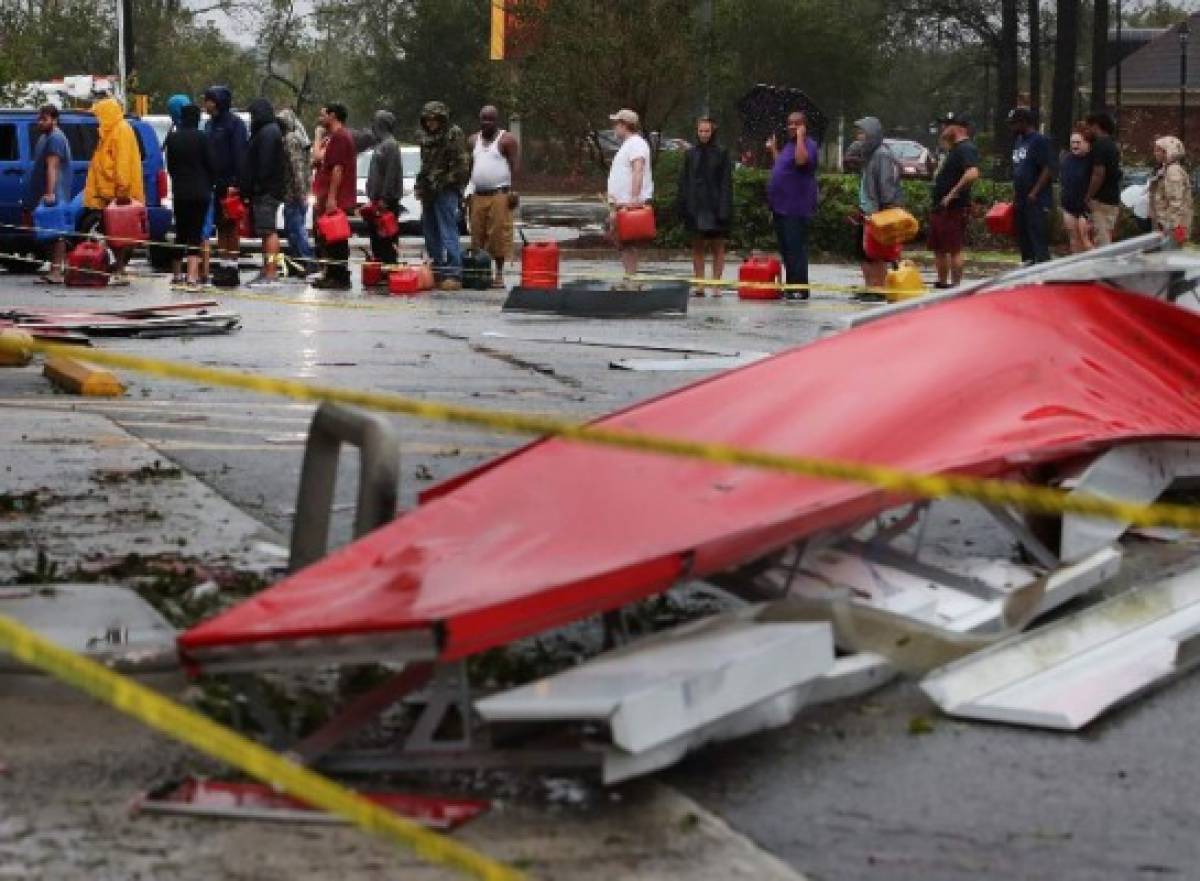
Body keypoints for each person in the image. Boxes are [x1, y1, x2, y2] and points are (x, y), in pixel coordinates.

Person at [82, 96, 143, 285]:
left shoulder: (120, 131)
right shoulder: (108, 132)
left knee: (119, 236)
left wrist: (122, 192)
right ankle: (118, 268)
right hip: (109, 193)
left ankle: (120, 269)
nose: (96, 119)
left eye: (98, 115)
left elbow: (122, 163)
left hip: (118, 195)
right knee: (113, 234)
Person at [416, 101, 470, 290]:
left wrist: (444, 182)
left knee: (448, 230)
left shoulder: (453, 134)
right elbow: (424, 165)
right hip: (429, 191)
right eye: (428, 119)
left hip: (446, 189)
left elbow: (462, 167)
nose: (431, 123)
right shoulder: (425, 137)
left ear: (442, 118)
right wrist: (421, 185)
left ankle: (453, 272)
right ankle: (437, 270)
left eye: (434, 119)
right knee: (430, 231)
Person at [677, 116, 732, 296]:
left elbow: (726, 183)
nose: (703, 134)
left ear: (713, 131)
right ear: (697, 131)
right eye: (701, 131)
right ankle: (700, 284)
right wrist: (683, 205)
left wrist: (724, 208)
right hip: (696, 206)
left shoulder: (722, 153)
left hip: (715, 205)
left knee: (718, 246)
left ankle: (716, 285)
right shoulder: (690, 154)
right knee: (697, 246)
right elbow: (684, 181)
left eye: (707, 131)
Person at [468, 105, 520, 287]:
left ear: (496, 121)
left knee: (498, 234)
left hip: (499, 194)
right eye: (483, 119)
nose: (486, 123)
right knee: (477, 235)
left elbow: (515, 166)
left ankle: (499, 274)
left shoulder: (506, 140)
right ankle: (482, 273)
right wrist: (467, 192)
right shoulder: (473, 140)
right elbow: (470, 167)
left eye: (490, 119)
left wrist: (514, 191)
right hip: (478, 194)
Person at [765, 112, 816, 300]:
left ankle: (800, 287)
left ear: (804, 125)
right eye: (789, 123)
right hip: (780, 206)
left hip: (796, 207)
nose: (792, 126)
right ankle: (791, 284)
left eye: (797, 123)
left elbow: (801, 161)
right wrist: (774, 150)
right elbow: (782, 165)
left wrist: (801, 137)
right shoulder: (788, 145)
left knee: (796, 248)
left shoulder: (808, 144)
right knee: (786, 248)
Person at [164, 104, 213, 288]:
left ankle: (176, 274)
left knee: (180, 232)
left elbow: (170, 166)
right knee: (195, 232)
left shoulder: (173, 139)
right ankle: (192, 276)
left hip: (181, 191)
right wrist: (210, 181)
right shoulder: (202, 138)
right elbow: (211, 163)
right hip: (200, 191)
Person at [928, 111, 979, 288]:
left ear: (958, 128)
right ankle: (942, 282)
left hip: (952, 207)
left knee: (954, 248)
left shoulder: (966, 148)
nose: (943, 128)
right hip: (940, 207)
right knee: (939, 247)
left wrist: (952, 194)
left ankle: (955, 285)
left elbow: (972, 173)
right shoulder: (953, 149)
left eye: (947, 125)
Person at [203, 85, 249, 277]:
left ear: (218, 102)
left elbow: (240, 154)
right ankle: (223, 264)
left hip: (229, 182)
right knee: (220, 224)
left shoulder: (235, 124)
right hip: (212, 182)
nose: (205, 104)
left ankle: (233, 265)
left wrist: (236, 183)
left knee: (231, 225)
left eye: (208, 100)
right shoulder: (208, 124)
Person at [852, 116, 902, 289]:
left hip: (878, 213)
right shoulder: (869, 154)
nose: (859, 137)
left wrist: (885, 209)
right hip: (867, 211)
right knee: (864, 253)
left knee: (877, 254)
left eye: (862, 133)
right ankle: (870, 286)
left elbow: (886, 184)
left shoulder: (882, 154)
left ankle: (879, 287)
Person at [240, 98, 286, 287]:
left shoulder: (268, 132)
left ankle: (271, 271)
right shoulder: (267, 131)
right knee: (264, 231)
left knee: (269, 231)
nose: (251, 119)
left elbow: (264, 164)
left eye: (253, 114)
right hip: (266, 189)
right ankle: (266, 269)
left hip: (266, 190)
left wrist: (257, 186)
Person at [311, 103, 356, 290]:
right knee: (327, 237)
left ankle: (339, 277)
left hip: (334, 198)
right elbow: (319, 160)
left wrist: (331, 198)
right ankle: (330, 273)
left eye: (325, 114)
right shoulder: (333, 137)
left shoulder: (340, 137)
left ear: (333, 115)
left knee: (335, 238)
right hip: (325, 195)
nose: (321, 118)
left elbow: (338, 169)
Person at [26, 104, 72, 285]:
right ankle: (57, 267)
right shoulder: (45, 137)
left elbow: (52, 166)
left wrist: (50, 193)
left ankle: (56, 271)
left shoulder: (55, 138)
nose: (40, 122)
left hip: (55, 192)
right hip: (47, 191)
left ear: (54, 119)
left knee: (57, 232)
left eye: (44, 119)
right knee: (49, 230)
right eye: (39, 118)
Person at [606, 108, 654, 276]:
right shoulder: (629, 144)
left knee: (628, 241)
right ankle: (629, 274)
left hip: (629, 203)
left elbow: (638, 170)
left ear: (624, 125)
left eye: (616, 124)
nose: (614, 128)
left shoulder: (636, 144)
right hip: (621, 202)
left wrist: (634, 198)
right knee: (621, 239)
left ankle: (631, 275)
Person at [1009, 107, 1055, 265]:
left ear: (1023, 122)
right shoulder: (1019, 141)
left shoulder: (1040, 140)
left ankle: (1043, 270)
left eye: (1014, 124)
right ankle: (1028, 267)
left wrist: (1034, 192)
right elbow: (1019, 168)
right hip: (1021, 198)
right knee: (1024, 237)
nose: (1012, 128)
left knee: (1037, 237)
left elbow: (1047, 168)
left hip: (1036, 199)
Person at [364, 110, 405, 268]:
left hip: (386, 203)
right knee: (376, 240)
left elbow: (391, 173)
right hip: (376, 201)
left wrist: (385, 199)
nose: (373, 127)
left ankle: (389, 269)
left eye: (375, 123)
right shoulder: (380, 145)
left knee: (387, 239)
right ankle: (379, 268)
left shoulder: (391, 145)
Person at [276, 108, 314, 273]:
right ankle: (300, 263)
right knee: (294, 229)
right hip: (298, 192)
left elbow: (296, 167)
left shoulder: (291, 139)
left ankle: (308, 262)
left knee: (296, 229)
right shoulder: (300, 138)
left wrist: (301, 193)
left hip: (294, 193)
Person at [1084, 112, 1122, 246]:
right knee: (1105, 234)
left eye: (1088, 127)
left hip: (1101, 200)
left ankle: (1104, 266)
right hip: (1111, 199)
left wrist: (1088, 196)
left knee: (1101, 240)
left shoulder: (1100, 144)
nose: (1086, 131)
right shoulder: (1112, 144)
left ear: (1096, 126)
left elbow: (1098, 174)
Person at [1148, 135, 1193, 244]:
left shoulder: (1173, 171)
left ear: (1168, 151)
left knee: (1173, 253)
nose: (1155, 153)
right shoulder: (1166, 169)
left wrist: (1169, 226)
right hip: (1170, 223)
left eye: (1158, 150)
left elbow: (1176, 202)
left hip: (1174, 225)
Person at [1059, 127, 1094, 254]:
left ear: (1087, 143)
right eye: (1072, 142)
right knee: (1073, 240)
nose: (1075, 145)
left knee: (1086, 240)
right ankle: (1078, 269)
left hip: (1086, 208)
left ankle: (1093, 267)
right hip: (1069, 206)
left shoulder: (1092, 160)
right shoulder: (1066, 159)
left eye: (1078, 142)